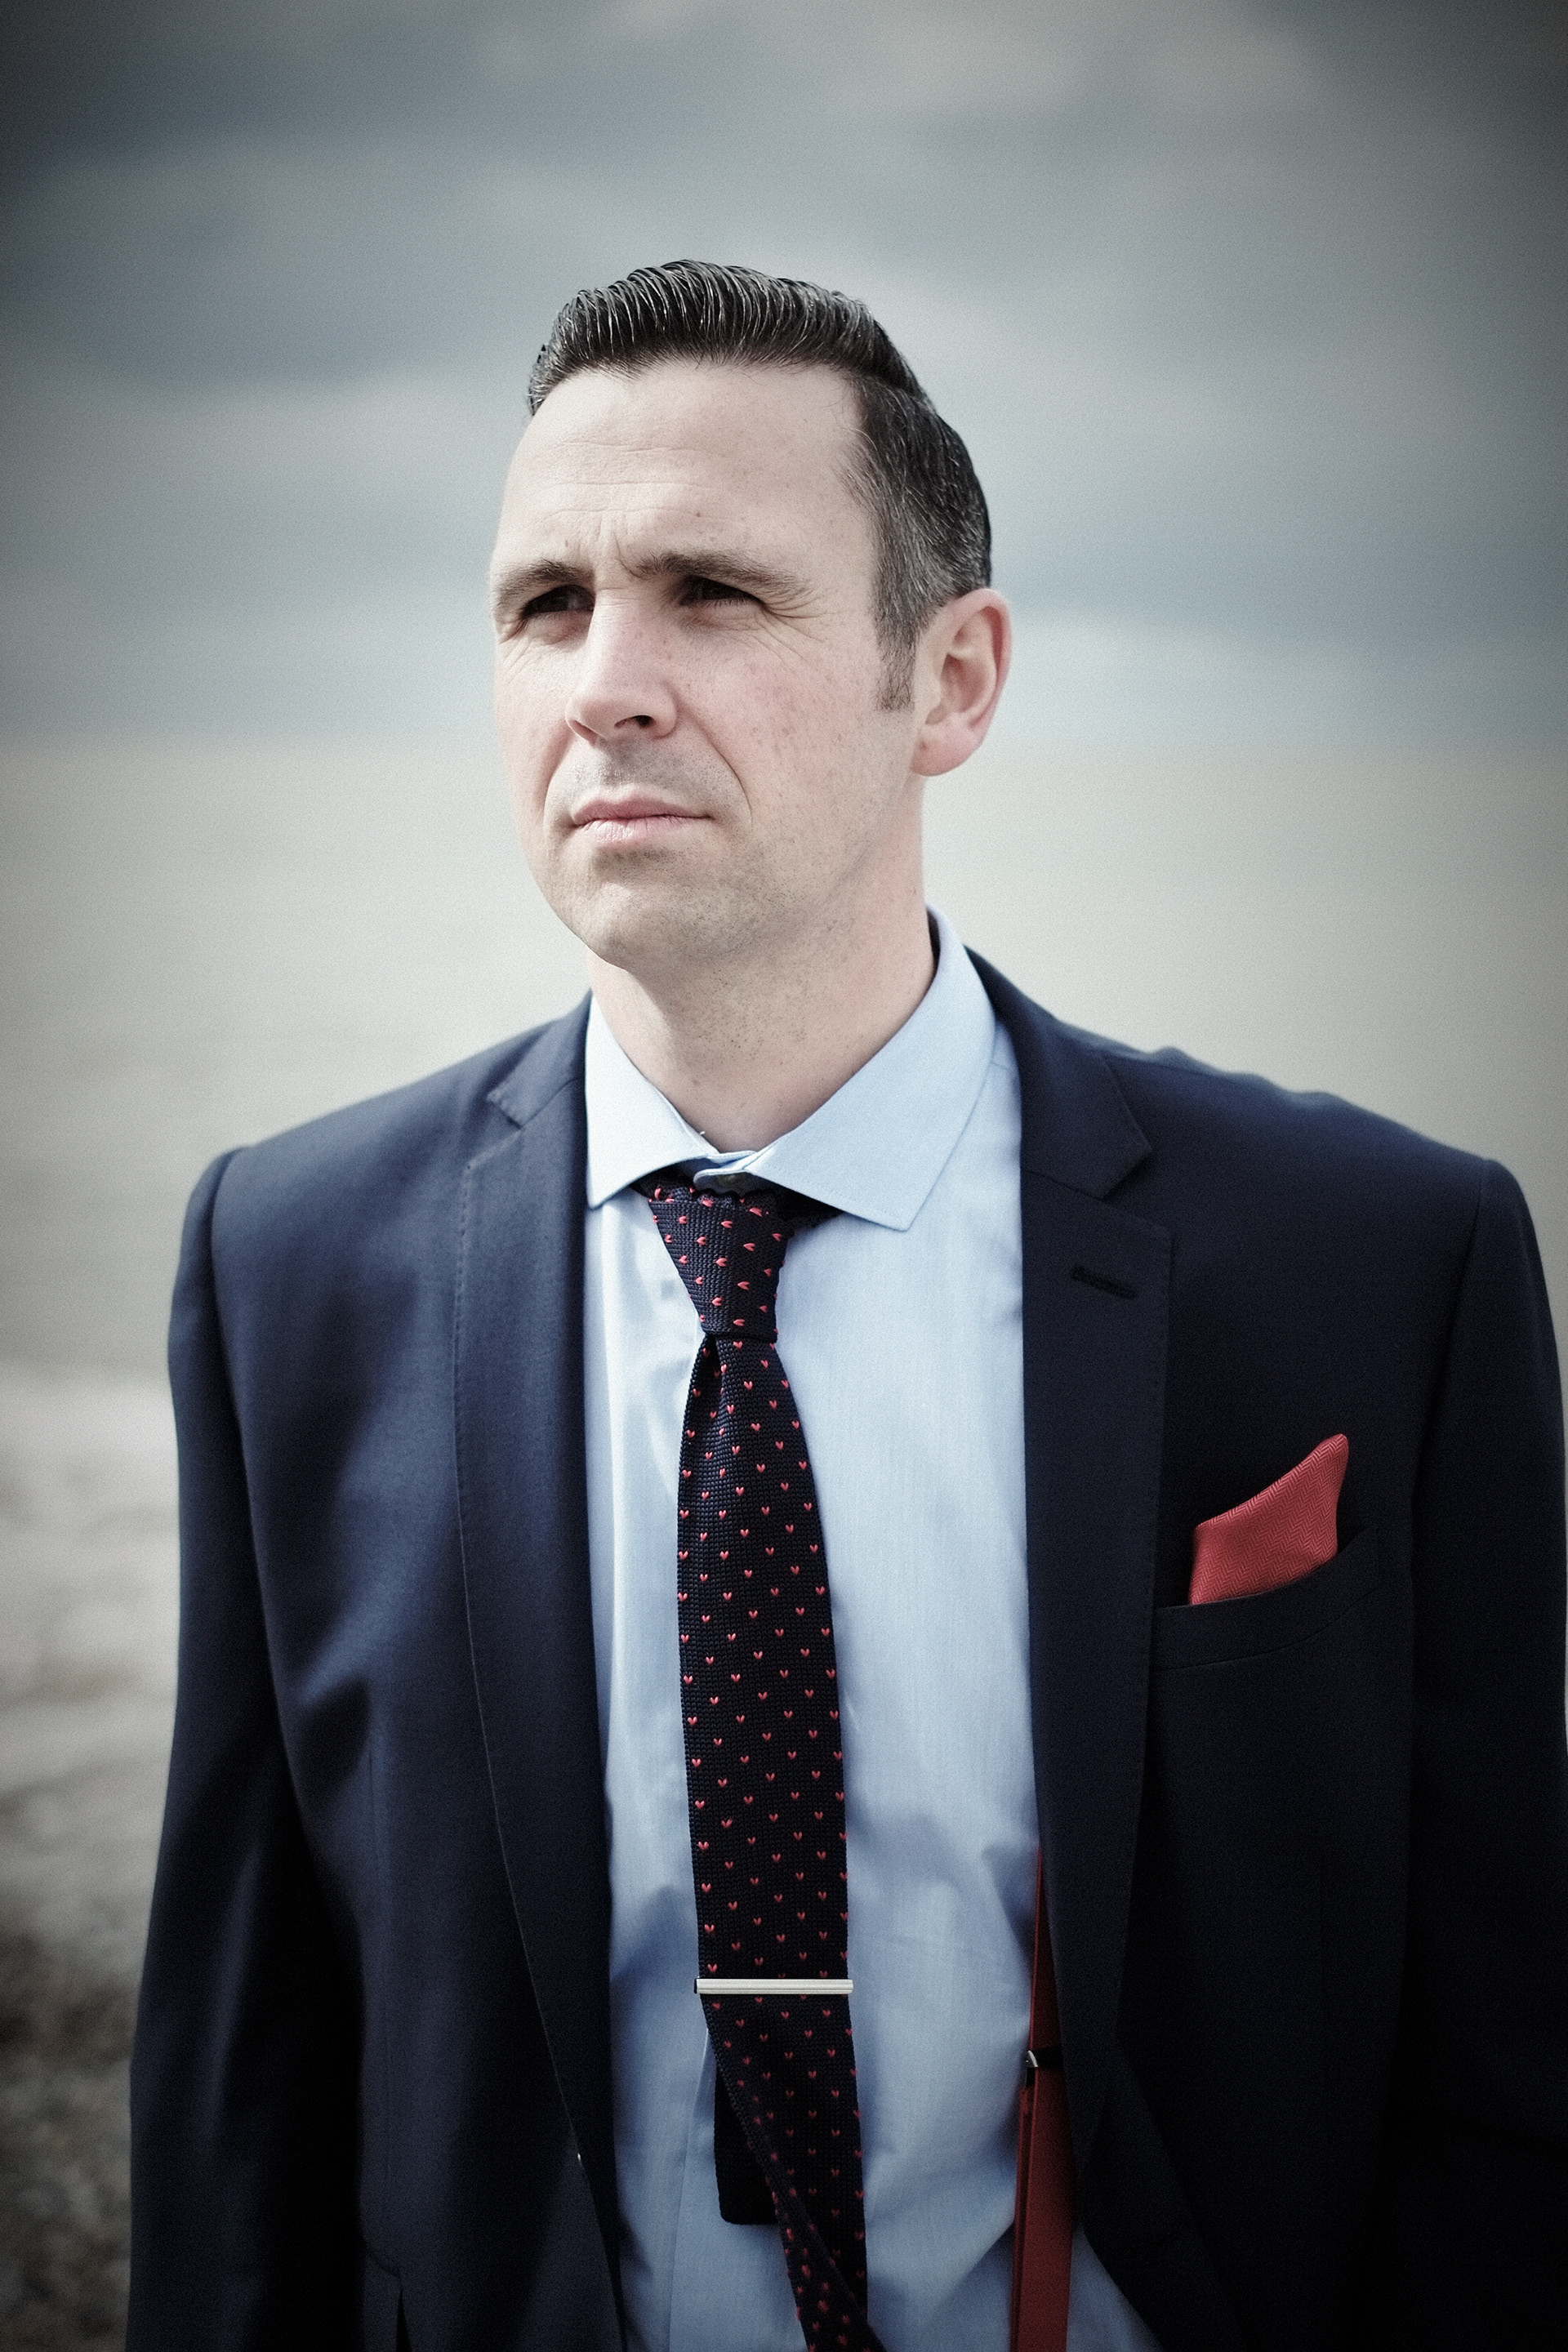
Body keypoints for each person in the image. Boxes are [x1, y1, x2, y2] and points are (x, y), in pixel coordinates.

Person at [127, 262, 1568, 2352]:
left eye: (712, 592)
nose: (606, 684)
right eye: (546, 605)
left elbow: (1500, 2046)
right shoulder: (290, 1265)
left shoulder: (1376, 1261)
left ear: (951, 680)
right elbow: (239, 2078)